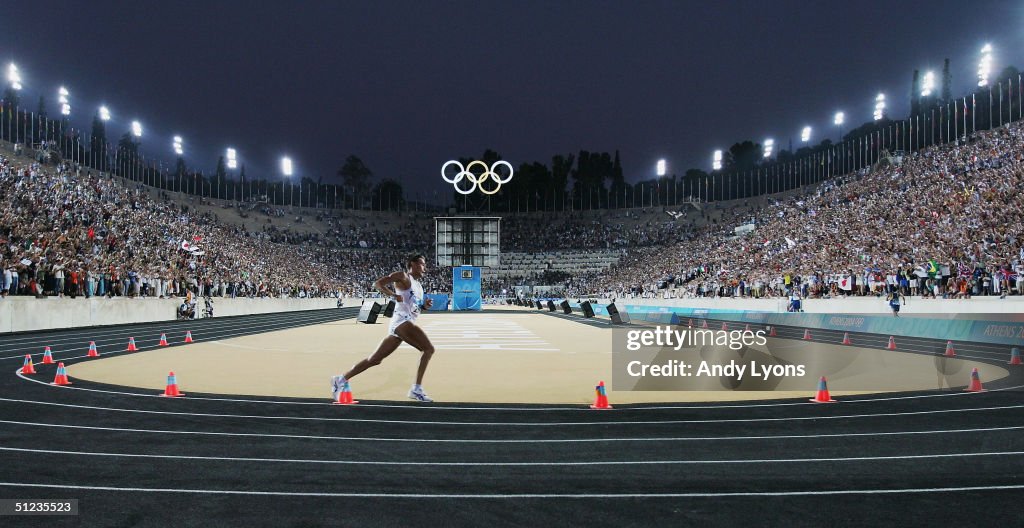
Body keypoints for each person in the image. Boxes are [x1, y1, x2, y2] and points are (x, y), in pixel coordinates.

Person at [331, 254, 436, 402]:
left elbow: (413, 307)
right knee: (428, 349)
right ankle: (416, 389)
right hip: (402, 322)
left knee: (375, 360)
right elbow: (378, 284)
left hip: (402, 324)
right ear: (412, 264)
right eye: (422, 264)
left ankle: (341, 379)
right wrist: (393, 294)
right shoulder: (403, 277)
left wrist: (424, 306)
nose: (424, 268)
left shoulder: (418, 286)